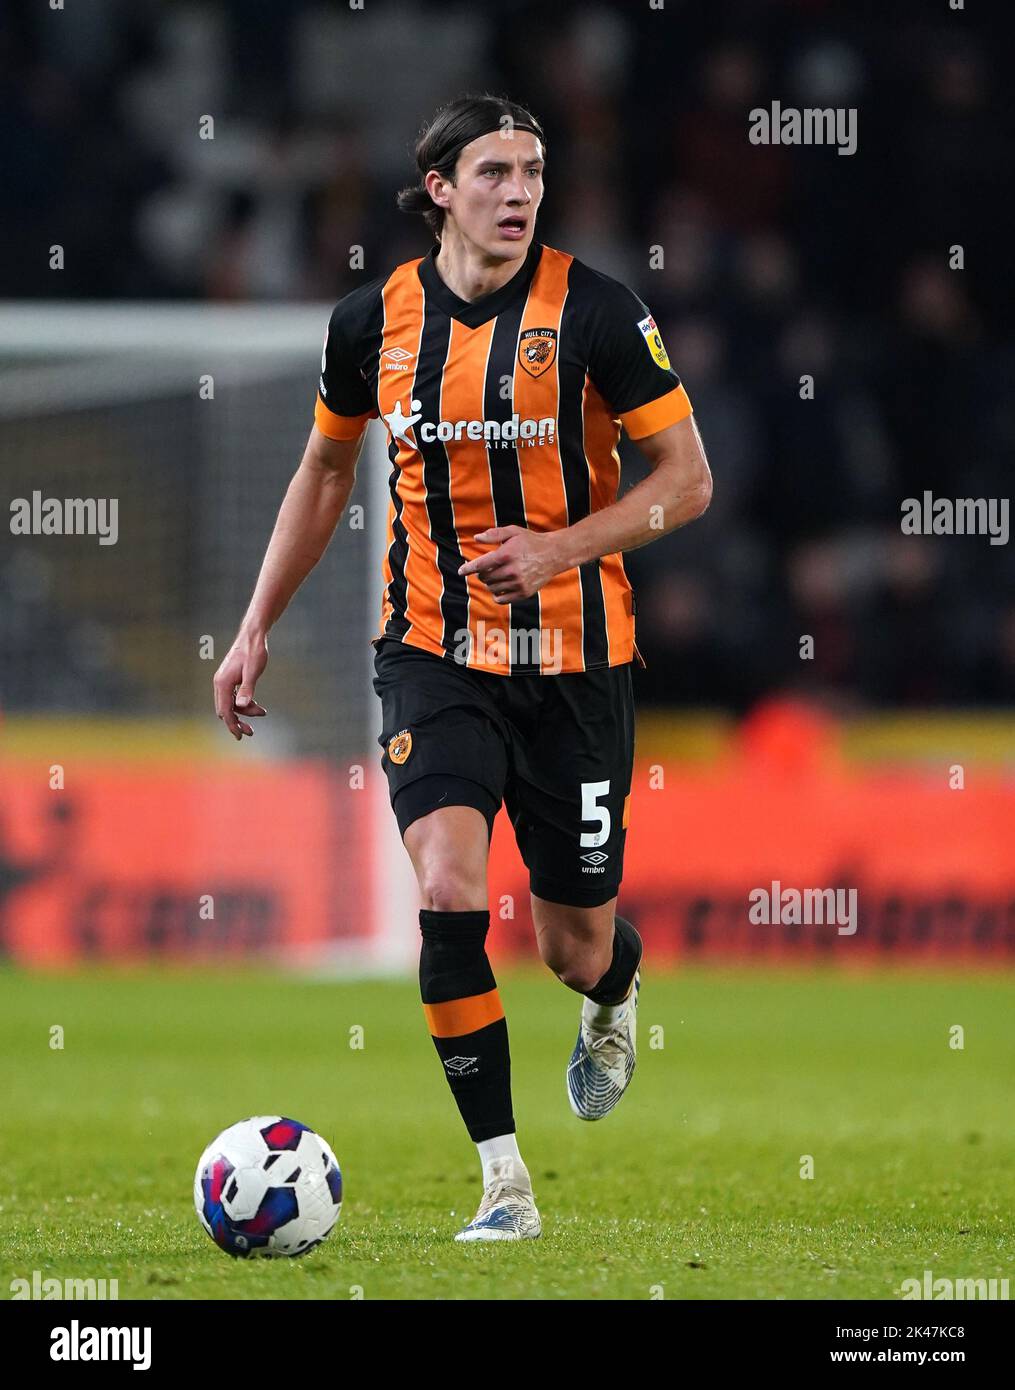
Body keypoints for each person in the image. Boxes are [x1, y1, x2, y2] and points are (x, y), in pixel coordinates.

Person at [214, 93, 712, 1241]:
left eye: (533, 171)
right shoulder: (371, 321)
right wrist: (252, 626)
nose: (520, 191)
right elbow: (327, 475)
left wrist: (560, 548)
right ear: (439, 187)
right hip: (432, 652)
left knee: (569, 944)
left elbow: (687, 480)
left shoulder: (596, 310)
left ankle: (614, 990)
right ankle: (505, 1183)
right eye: (494, 172)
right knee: (445, 893)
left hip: (578, 659)